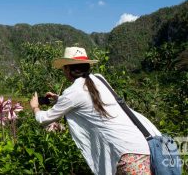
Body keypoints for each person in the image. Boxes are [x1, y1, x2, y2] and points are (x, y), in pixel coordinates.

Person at [30, 47, 161, 175]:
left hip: (128, 155)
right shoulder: (99, 78)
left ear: (68, 69)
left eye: (64, 67)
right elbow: (91, 101)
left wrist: (35, 107)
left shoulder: (73, 92)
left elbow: (43, 119)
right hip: (145, 145)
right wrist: (60, 99)